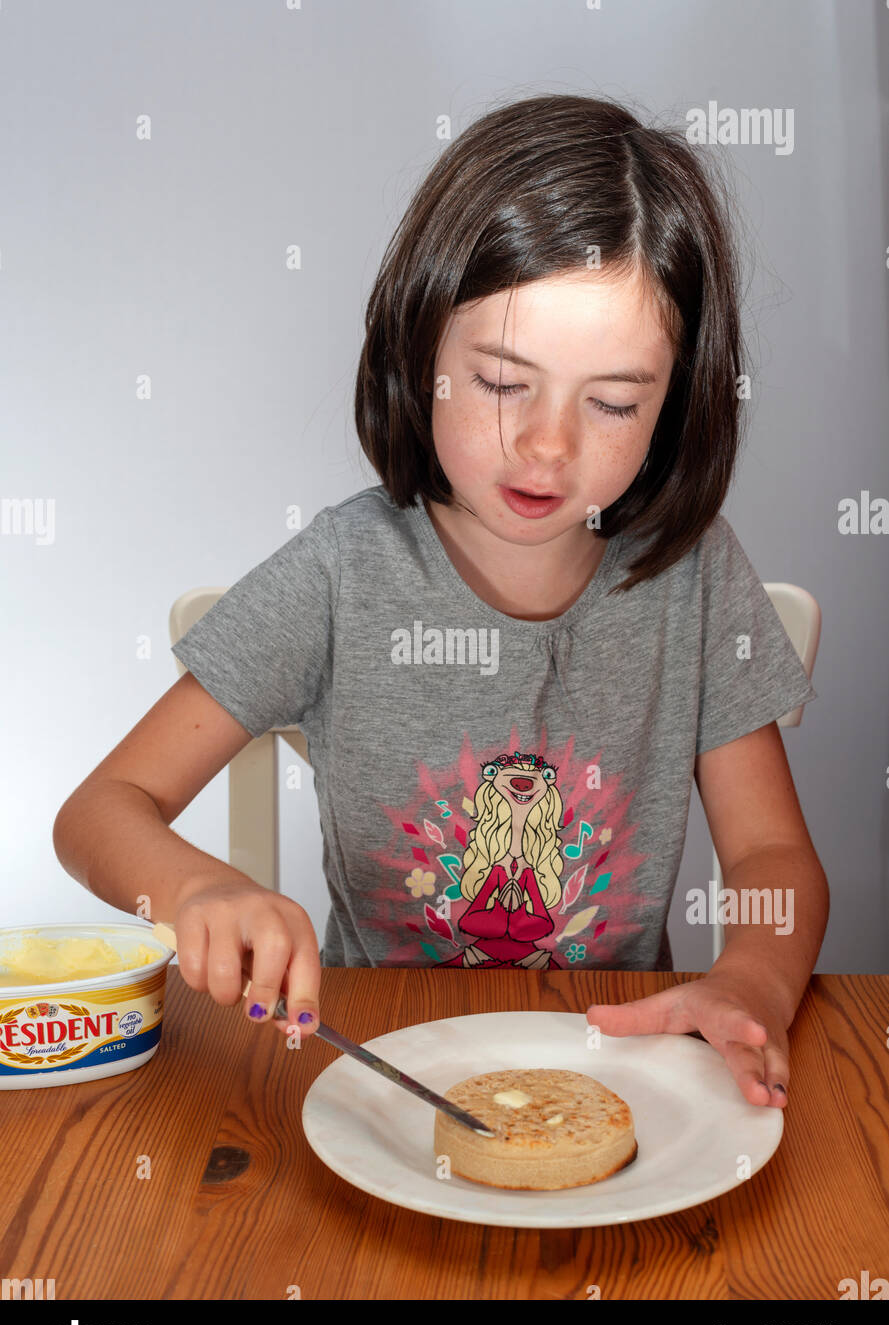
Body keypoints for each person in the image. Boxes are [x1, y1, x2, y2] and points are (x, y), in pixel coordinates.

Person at [53, 93, 829, 1108]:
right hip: (376, 1073)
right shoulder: (341, 573)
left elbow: (772, 855)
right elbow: (98, 812)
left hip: (618, 1074)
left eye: (612, 402)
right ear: (421, 356)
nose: (549, 444)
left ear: (675, 403)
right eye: (505, 383)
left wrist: (752, 979)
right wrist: (200, 887)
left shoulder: (695, 577)